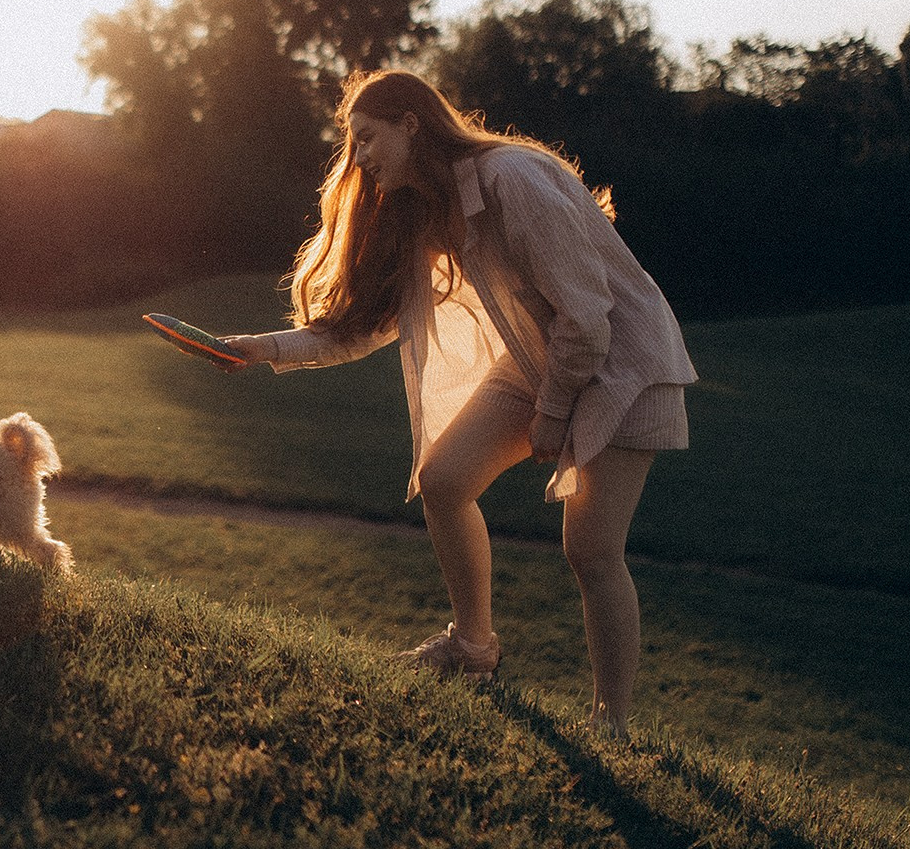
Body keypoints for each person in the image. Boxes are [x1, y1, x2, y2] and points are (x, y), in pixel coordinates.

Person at [218, 69, 694, 739]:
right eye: (351, 144)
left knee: (590, 550)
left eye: (366, 137)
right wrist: (260, 347)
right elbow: (366, 325)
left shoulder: (512, 178)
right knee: (444, 480)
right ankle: (473, 647)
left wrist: (553, 414)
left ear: (413, 122)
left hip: (624, 364)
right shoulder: (423, 211)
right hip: (540, 356)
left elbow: (588, 317)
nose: (358, 157)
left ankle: (611, 722)